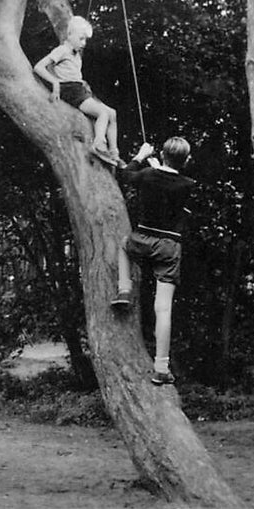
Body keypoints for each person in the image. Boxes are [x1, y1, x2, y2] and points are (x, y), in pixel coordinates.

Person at [111, 137, 195, 386]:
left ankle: (124, 289)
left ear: (163, 155)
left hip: (142, 239)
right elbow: (170, 183)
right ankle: (160, 367)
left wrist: (141, 155)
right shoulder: (187, 184)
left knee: (124, 246)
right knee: (164, 309)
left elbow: (125, 175)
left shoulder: (147, 175)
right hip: (169, 246)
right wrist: (158, 167)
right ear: (186, 160)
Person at [33, 16, 124, 168]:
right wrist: (55, 82)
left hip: (78, 88)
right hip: (70, 90)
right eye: (81, 39)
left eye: (85, 40)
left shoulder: (76, 54)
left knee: (112, 113)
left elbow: (72, 73)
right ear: (70, 35)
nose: (84, 43)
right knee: (103, 113)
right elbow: (39, 67)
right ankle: (99, 145)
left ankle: (114, 153)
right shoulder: (62, 50)